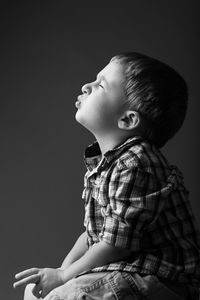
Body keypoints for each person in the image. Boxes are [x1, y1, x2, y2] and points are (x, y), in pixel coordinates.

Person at [13, 52, 200, 299]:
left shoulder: (137, 163)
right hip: (123, 269)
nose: (86, 86)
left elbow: (116, 244)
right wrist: (62, 271)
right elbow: (95, 236)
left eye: (100, 85)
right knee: (36, 293)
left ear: (127, 119)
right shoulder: (105, 163)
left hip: (159, 279)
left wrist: (64, 279)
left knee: (64, 296)